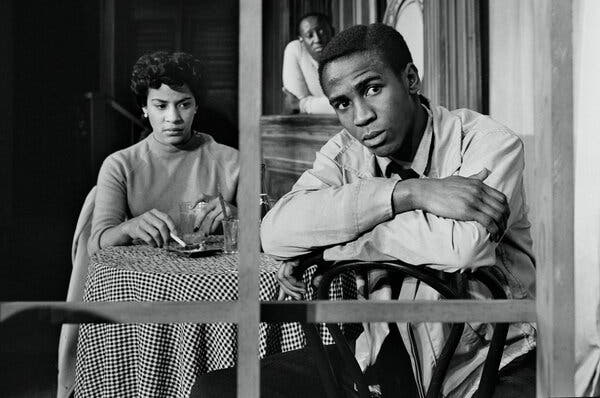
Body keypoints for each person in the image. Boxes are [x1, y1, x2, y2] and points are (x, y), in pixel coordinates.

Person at [195, 24, 535, 398]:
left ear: (410, 79)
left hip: (490, 363)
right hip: (381, 358)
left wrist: (328, 246)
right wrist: (408, 193)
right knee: (215, 390)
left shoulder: (487, 142)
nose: (360, 117)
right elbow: (275, 232)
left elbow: (462, 247)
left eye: (372, 89)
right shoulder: (345, 152)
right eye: (342, 103)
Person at [88, 51, 239, 255]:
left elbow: (268, 239)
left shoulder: (234, 163)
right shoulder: (120, 165)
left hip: (217, 274)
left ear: (196, 106)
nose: (173, 117)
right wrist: (127, 228)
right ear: (144, 107)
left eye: (184, 104)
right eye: (161, 106)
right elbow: (94, 246)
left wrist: (239, 218)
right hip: (142, 274)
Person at [282, 12, 335, 114]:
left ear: (332, 32)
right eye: (309, 35)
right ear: (301, 39)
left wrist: (302, 105)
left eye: (322, 32)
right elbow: (294, 104)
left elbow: (348, 104)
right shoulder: (296, 49)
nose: (317, 39)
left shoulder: (347, 55)